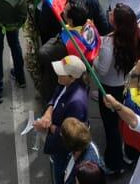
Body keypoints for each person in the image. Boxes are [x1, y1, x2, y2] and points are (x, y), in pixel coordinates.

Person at [37, 53, 91, 184]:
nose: (58, 74)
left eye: (61, 73)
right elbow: (55, 98)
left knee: (60, 176)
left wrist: (46, 126)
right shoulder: (64, 83)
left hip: (63, 149)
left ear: (72, 78)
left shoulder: (77, 102)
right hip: (56, 143)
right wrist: (48, 113)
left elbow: (70, 133)